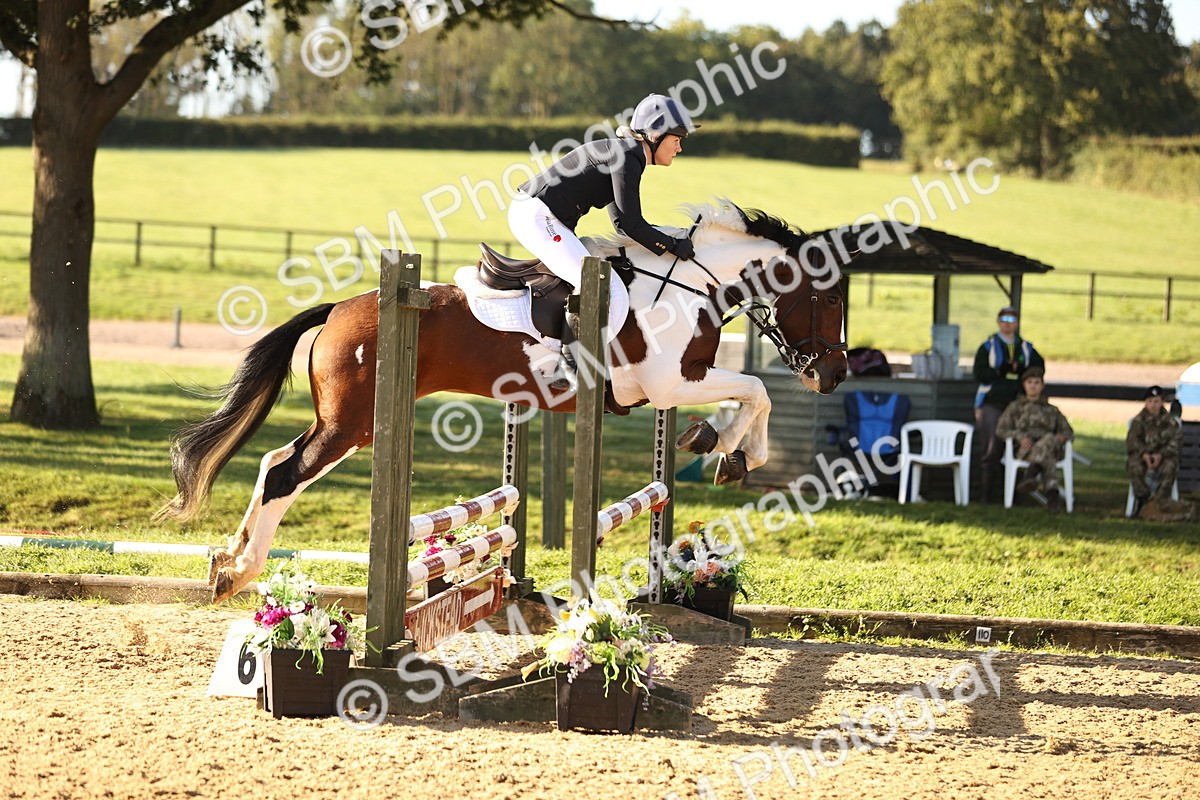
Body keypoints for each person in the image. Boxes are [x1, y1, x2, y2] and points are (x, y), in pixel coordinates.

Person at [508, 93, 699, 390]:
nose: (679, 148)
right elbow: (631, 224)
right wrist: (673, 246)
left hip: (540, 215)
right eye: (677, 139)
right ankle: (568, 366)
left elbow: (622, 222)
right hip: (539, 217)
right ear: (655, 135)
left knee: (599, 279)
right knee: (600, 285)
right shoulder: (628, 158)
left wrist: (668, 241)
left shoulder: (625, 154)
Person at [973, 305, 1044, 502]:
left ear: (1017, 323)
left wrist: (1022, 371)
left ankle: (1015, 495)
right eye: (1004, 320)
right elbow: (979, 373)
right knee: (992, 447)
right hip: (992, 403)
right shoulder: (988, 346)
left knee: (1020, 447)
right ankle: (987, 496)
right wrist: (999, 371)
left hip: (1019, 405)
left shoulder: (1026, 348)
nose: (1007, 324)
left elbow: (1039, 368)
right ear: (998, 322)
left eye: (1012, 320)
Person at [995, 367, 1072, 513]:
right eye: (1029, 382)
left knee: (1048, 439)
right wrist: (1019, 436)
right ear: (1024, 385)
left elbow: (1068, 431)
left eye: (1037, 382)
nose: (1033, 386)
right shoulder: (1015, 407)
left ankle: (1030, 475)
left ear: (1042, 386)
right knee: (1047, 457)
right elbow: (1001, 429)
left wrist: (1061, 437)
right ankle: (1052, 498)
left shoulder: (1052, 410)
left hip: (1049, 446)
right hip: (1025, 449)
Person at [1126, 385, 1190, 519]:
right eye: (1150, 401)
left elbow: (1176, 443)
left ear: (1162, 402)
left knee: (1170, 465)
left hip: (1164, 456)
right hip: (1143, 456)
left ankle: (1161, 500)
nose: (1153, 405)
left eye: (1156, 401)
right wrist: (1144, 454)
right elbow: (1132, 441)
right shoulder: (1138, 421)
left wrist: (1160, 455)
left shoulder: (1171, 422)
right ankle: (1143, 498)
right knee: (1134, 464)